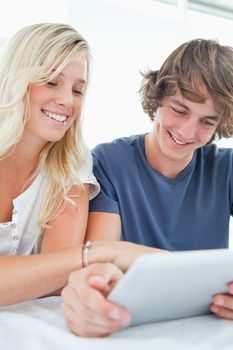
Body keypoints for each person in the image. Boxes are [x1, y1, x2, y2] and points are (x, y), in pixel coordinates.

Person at [61, 38, 233, 337]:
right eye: (180, 110)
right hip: (132, 324)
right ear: (159, 97)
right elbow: (101, 257)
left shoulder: (225, 168)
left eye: (207, 121)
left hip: (207, 326)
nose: (187, 131)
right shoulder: (109, 162)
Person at [0, 23, 155, 306]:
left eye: (78, 90)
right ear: (17, 80)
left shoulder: (72, 162)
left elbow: (58, 280)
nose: (66, 101)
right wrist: (101, 252)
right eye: (51, 82)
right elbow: (59, 267)